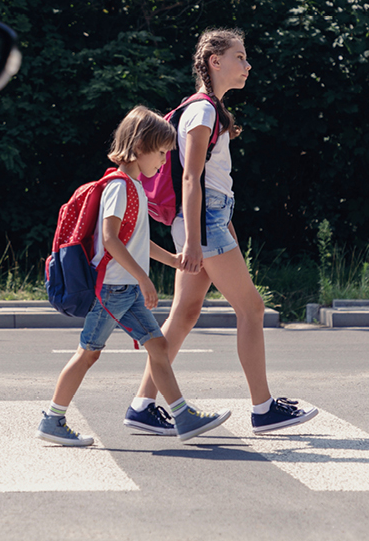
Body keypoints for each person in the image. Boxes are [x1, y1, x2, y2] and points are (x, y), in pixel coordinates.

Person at [123, 29, 318, 436]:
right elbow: (191, 178)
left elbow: (209, 180)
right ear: (215, 60)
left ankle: (142, 405)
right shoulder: (204, 111)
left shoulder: (208, 111)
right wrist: (196, 240)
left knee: (185, 313)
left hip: (209, 219)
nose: (247, 65)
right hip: (202, 222)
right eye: (240, 57)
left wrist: (218, 225)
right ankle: (263, 408)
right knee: (252, 309)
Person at [36, 106, 232, 446]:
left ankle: (183, 417)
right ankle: (53, 419)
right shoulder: (119, 186)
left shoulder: (134, 188)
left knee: (158, 346)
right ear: (138, 146)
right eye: (159, 153)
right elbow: (111, 239)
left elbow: (136, 241)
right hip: (112, 290)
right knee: (89, 353)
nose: (162, 163)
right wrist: (144, 279)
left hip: (123, 290)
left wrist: (172, 260)